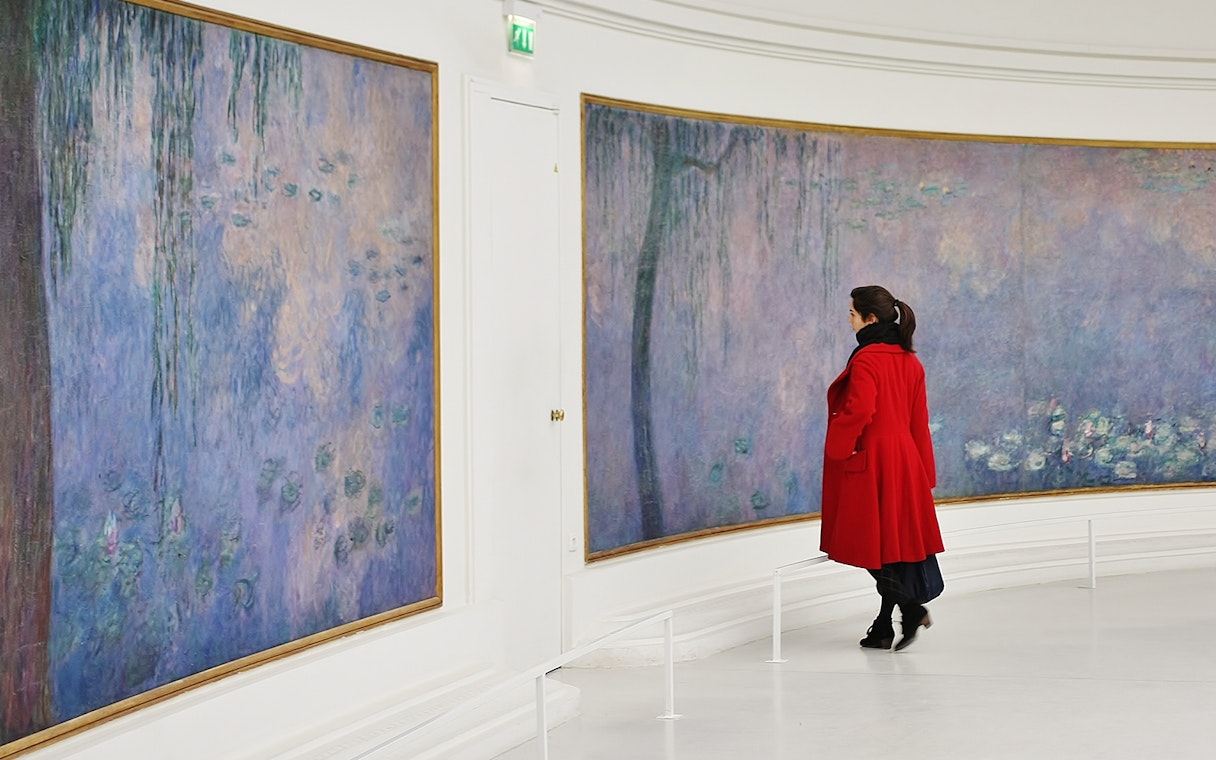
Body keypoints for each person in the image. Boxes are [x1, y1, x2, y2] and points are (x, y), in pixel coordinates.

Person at [819, 285, 944, 651]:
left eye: (853, 314)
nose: (849, 319)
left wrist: (837, 449)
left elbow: (860, 410)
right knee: (891, 546)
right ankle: (883, 628)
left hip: (872, 459)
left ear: (870, 319)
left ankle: (910, 608)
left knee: (865, 543)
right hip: (904, 459)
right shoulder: (910, 360)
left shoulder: (867, 359)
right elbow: (919, 421)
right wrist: (924, 472)